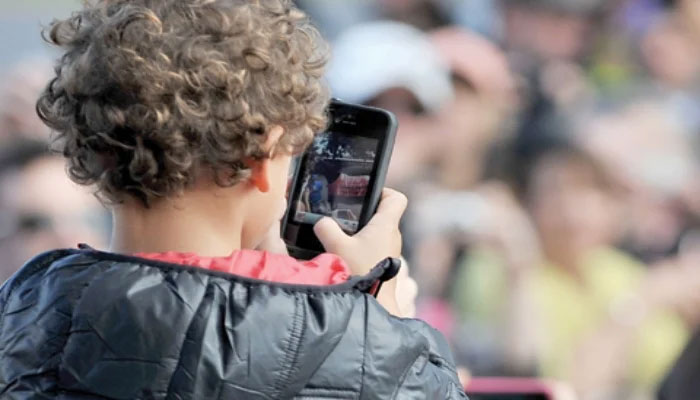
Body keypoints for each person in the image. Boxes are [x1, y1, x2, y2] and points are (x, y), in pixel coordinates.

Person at [0, 1, 466, 398]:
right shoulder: (350, 326)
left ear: (96, 154)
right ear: (262, 156)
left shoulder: (24, 305)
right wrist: (385, 321)